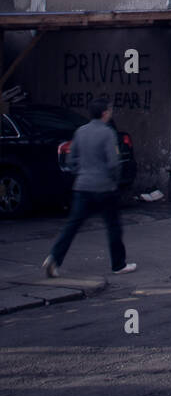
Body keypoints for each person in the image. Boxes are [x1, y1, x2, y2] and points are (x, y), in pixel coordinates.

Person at [43, 100, 136, 278]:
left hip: (82, 186)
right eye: (109, 110)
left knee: (72, 225)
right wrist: (115, 181)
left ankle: (55, 258)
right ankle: (118, 264)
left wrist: (83, 173)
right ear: (104, 113)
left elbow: (71, 161)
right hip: (105, 188)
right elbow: (114, 163)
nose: (110, 113)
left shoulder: (80, 132)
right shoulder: (107, 133)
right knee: (113, 226)